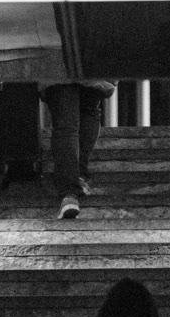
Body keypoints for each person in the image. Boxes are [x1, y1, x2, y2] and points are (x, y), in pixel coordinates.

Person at [39, 81, 115, 219]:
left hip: (57, 66)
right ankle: (79, 176)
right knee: (89, 109)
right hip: (91, 63)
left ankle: (69, 193)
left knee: (65, 122)